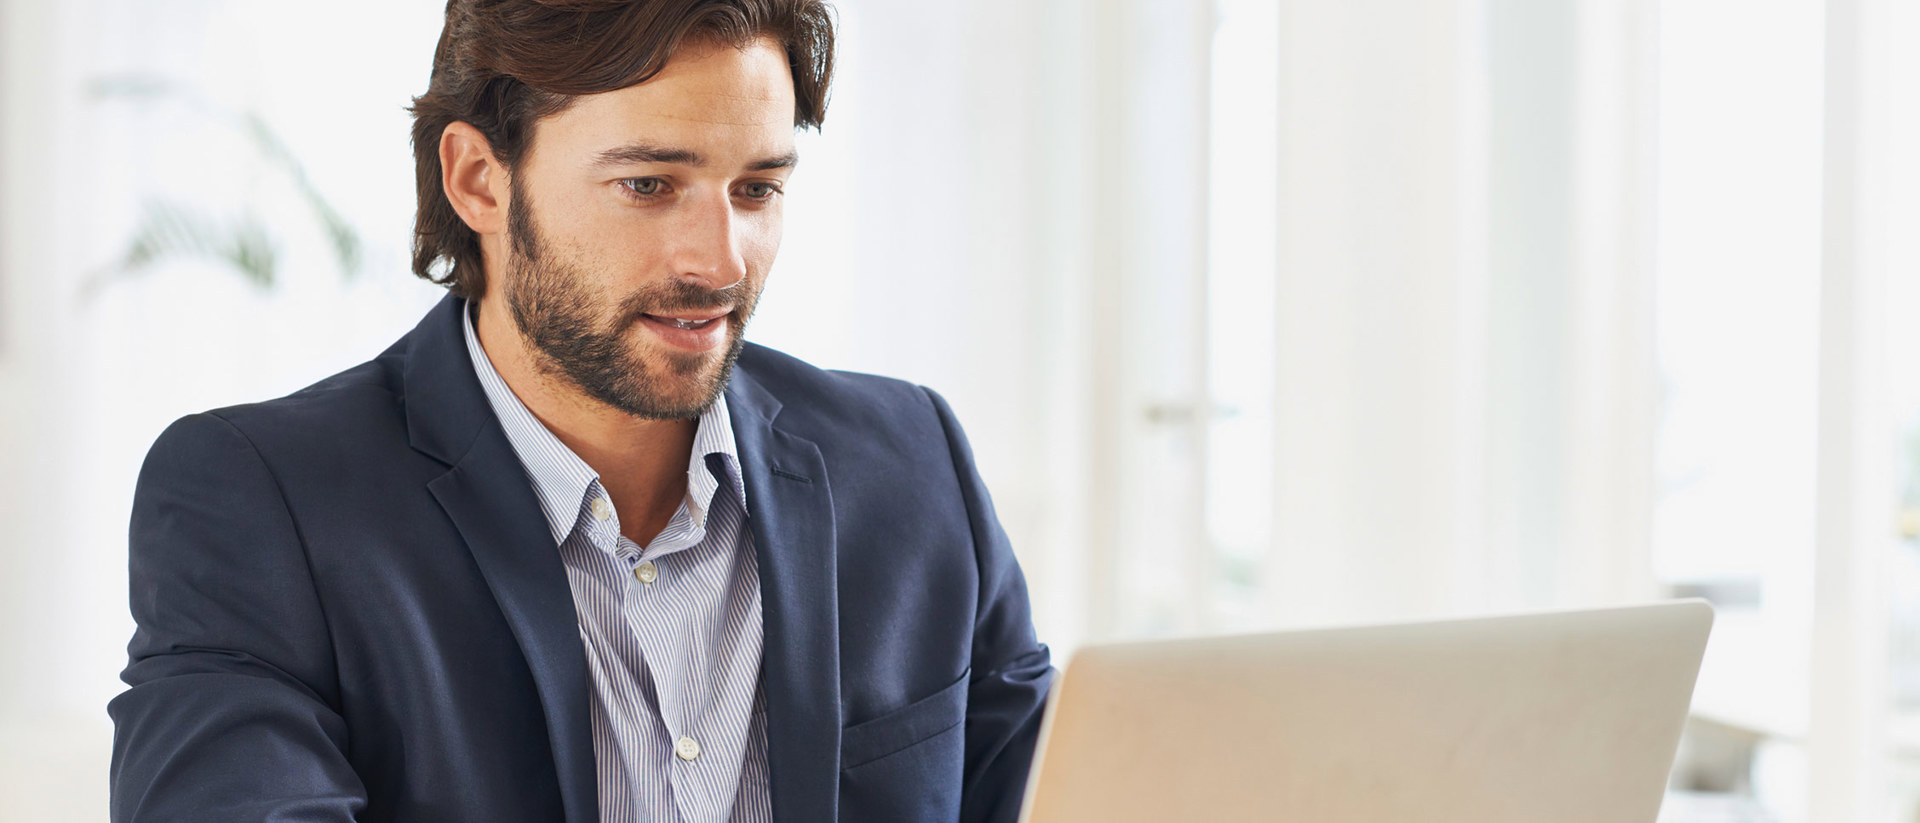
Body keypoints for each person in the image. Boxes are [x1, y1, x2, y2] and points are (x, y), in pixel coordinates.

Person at [105, 1, 1053, 821]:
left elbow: (1070, 793)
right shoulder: (264, 502)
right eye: (649, 185)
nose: (720, 262)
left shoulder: (910, 465)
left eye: (757, 188)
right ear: (478, 178)